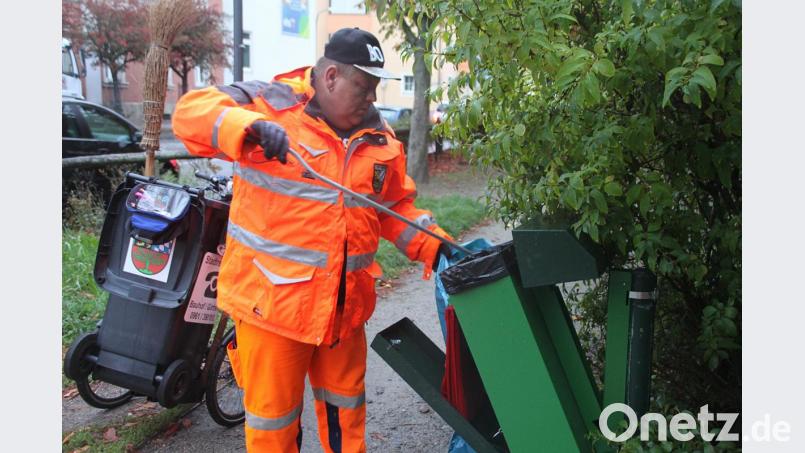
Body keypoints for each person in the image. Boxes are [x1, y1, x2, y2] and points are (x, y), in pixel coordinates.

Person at [172, 28, 452, 452]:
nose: (371, 99)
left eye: (376, 88)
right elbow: (190, 113)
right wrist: (247, 127)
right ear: (332, 76)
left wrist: (438, 245)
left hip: (343, 314)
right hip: (273, 310)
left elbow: (396, 208)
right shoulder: (270, 103)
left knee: (347, 419)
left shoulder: (379, 140)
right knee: (274, 430)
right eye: (364, 86)